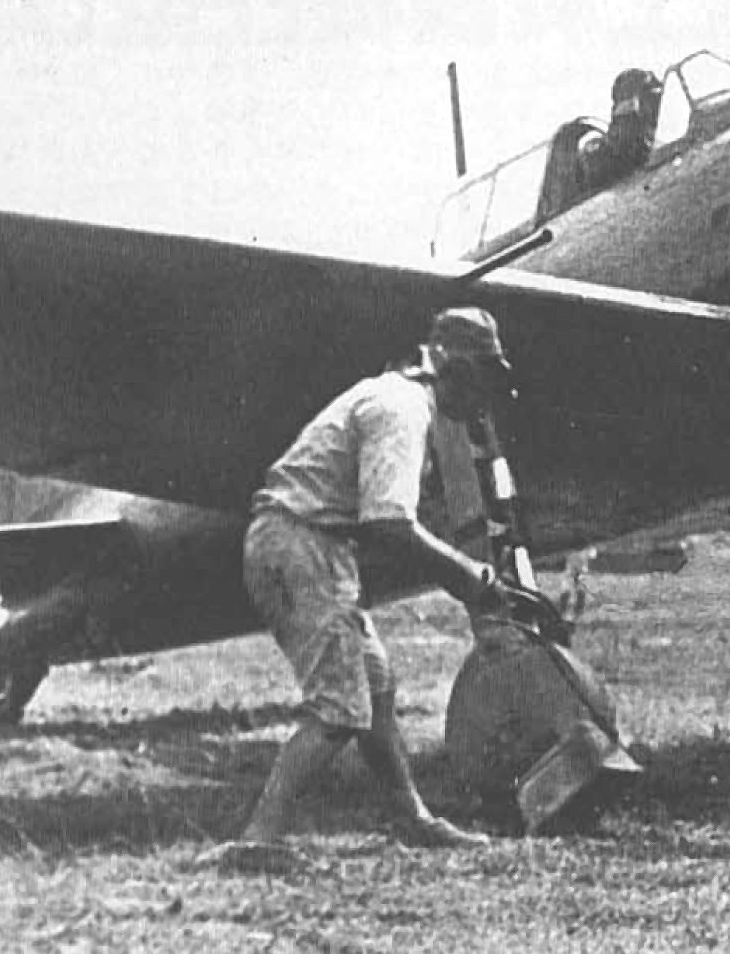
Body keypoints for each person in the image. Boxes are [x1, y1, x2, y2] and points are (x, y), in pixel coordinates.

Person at [200, 307, 514, 868]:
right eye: (481, 377)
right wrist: (468, 577)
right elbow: (389, 523)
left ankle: (412, 818)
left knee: (375, 685)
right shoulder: (402, 410)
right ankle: (257, 841)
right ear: (452, 368)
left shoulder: (397, 398)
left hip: (313, 546)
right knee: (339, 707)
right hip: (302, 546)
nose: (483, 397)